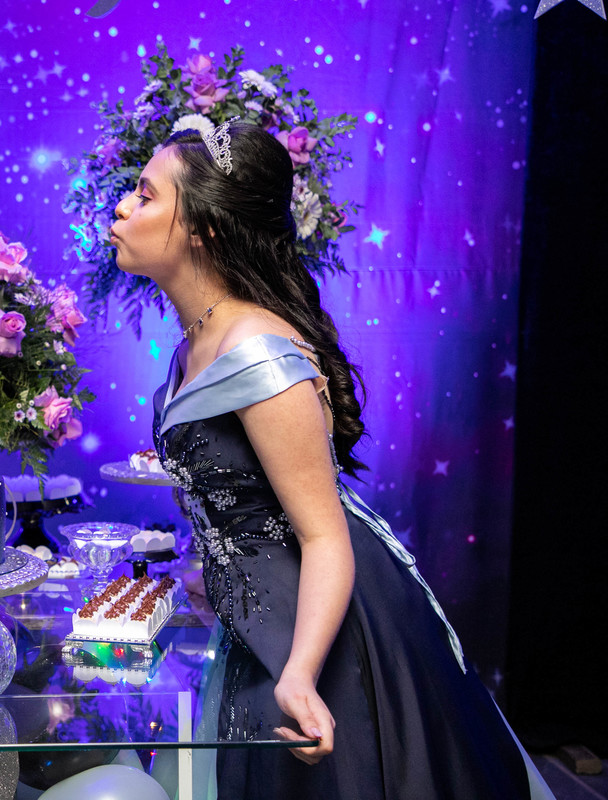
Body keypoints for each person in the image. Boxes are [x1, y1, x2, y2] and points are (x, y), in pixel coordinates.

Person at [110, 119, 553, 799]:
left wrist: (300, 672)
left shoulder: (256, 353)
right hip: (264, 624)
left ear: (203, 229)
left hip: (318, 633)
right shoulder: (195, 341)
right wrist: (215, 576)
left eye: (145, 195)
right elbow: (242, 504)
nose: (122, 207)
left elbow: (324, 535)